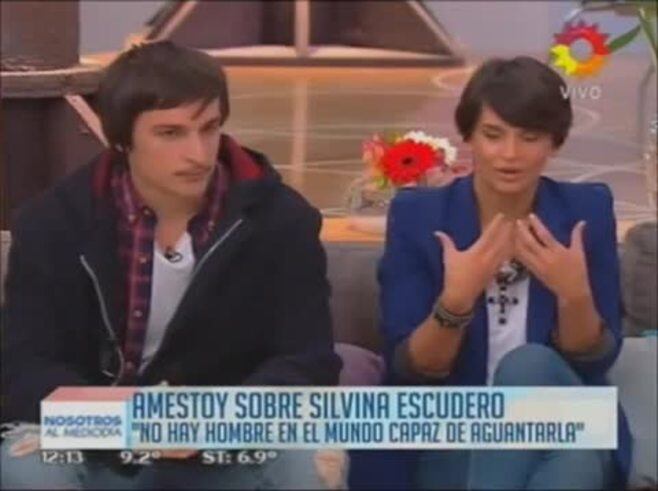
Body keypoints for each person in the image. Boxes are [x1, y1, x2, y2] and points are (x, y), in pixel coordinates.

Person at [1, 41, 342, 489]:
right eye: (170, 133)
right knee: (29, 468)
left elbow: (308, 359)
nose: (198, 154)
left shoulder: (282, 220)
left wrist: (220, 418)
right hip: (95, 439)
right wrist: (126, 420)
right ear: (122, 140)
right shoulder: (53, 223)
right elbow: (25, 368)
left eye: (209, 128)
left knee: (311, 460)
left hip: (225, 444)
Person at [378, 56, 631, 489]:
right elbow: (411, 369)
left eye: (529, 137)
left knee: (528, 366)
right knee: (574, 462)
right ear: (469, 137)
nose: (510, 155)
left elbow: (595, 359)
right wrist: (455, 303)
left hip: (561, 417)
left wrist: (574, 295)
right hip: (454, 430)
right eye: (493, 135)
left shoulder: (584, 212)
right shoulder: (420, 217)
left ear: (554, 143)